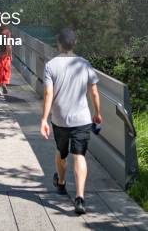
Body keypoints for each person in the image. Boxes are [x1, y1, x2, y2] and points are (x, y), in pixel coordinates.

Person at [40, 28, 102, 216]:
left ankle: (60, 183)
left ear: (58, 44)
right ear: (75, 43)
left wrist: (44, 119)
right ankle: (80, 198)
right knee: (79, 155)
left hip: (60, 119)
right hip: (82, 119)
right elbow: (94, 92)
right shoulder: (85, 64)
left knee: (61, 152)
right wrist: (97, 113)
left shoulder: (51, 65)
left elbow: (48, 93)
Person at [0, 18, 12, 97]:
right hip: (4, 54)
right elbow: (8, 45)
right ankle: (3, 83)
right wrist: (10, 55)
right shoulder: (7, 32)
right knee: (4, 70)